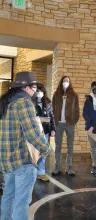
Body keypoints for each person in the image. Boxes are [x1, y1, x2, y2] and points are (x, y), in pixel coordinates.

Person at [0, 72, 50, 220]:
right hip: (22, 160)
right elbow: (32, 133)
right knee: (21, 202)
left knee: (8, 196)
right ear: (27, 88)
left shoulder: (6, 102)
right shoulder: (24, 102)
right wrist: (46, 148)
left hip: (7, 160)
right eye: (34, 87)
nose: (36, 91)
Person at [52, 76, 79, 176]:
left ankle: (69, 168)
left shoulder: (74, 95)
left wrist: (74, 121)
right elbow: (52, 109)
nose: (65, 82)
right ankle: (57, 167)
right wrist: (54, 122)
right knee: (58, 146)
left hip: (69, 124)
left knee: (70, 147)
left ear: (70, 82)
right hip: (58, 123)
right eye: (64, 81)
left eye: (67, 81)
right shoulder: (56, 94)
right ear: (61, 82)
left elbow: (77, 110)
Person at [32, 83, 56, 182]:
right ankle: (32, 172)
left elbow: (52, 117)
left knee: (43, 152)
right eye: (37, 91)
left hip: (45, 131)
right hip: (34, 132)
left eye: (41, 91)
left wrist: (53, 129)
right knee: (33, 153)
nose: (39, 93)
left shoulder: (47, 102)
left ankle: (41, 172)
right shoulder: (30, 102)